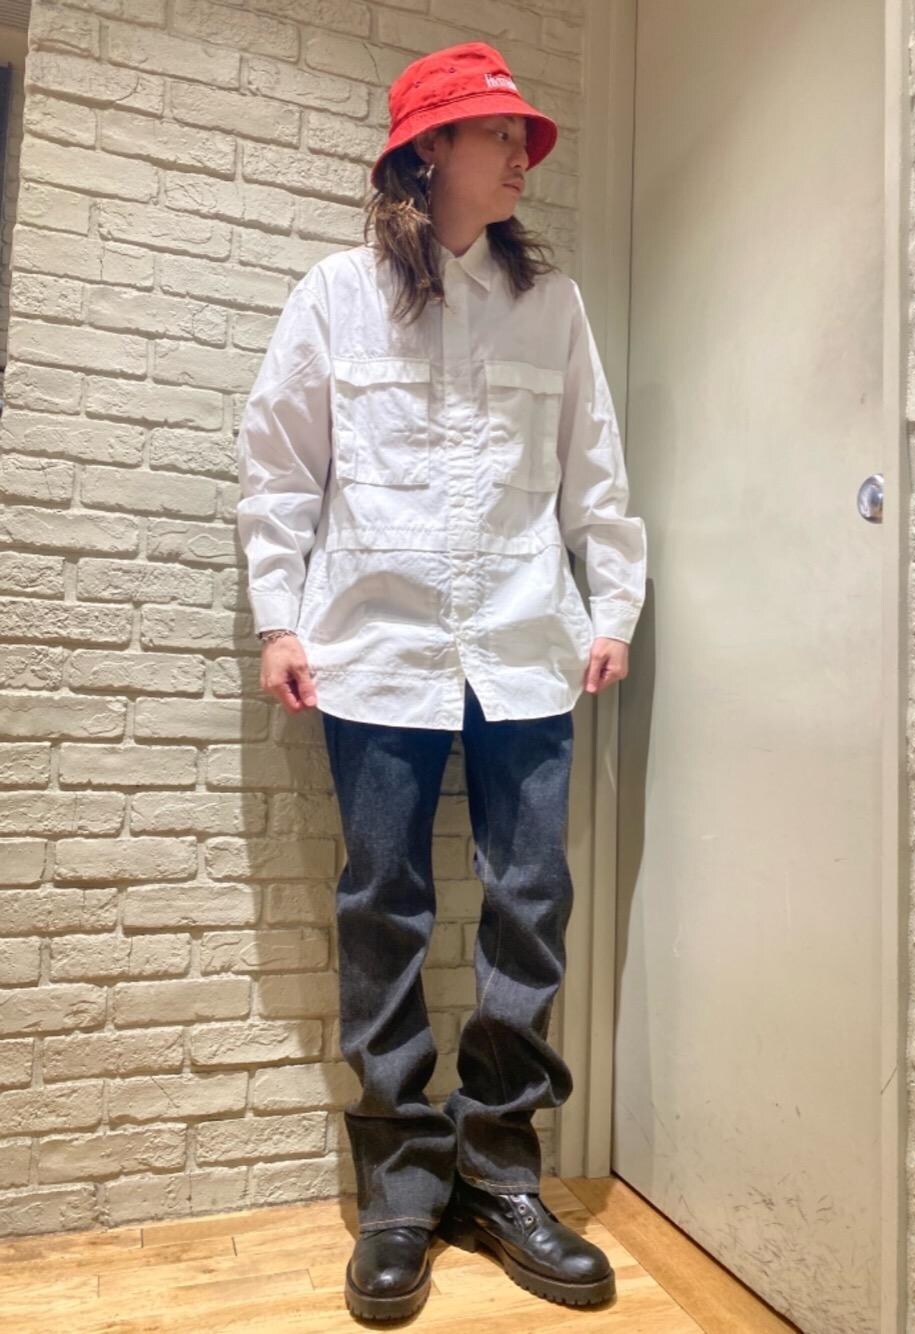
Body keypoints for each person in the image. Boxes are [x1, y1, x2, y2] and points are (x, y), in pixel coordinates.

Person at [235, 40, 646, 1323]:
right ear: (427, 152)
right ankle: (402, 1189)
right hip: (373, 648)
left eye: (521, 132)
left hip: (524, 640)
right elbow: (280, 467)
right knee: (385, 904)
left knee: (530, 897)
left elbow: (594, 467)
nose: (521, 152)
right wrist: (277, 617)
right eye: (495, 132)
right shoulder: (334, 296)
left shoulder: (551, 304)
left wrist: (613, 604)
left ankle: (502, 1167)